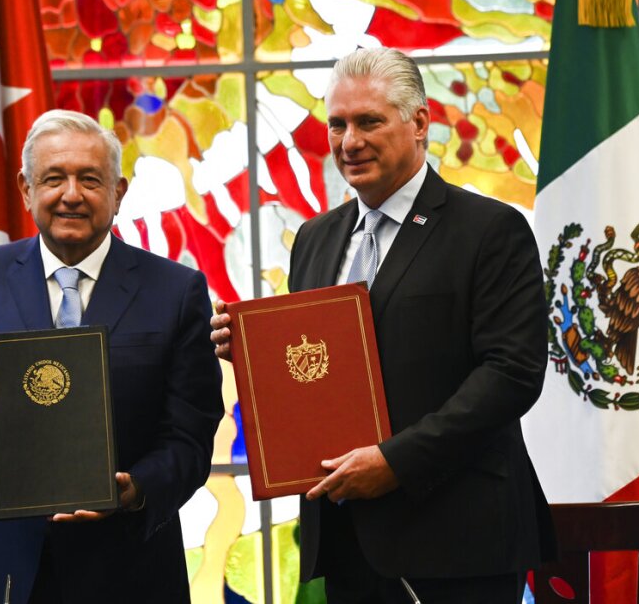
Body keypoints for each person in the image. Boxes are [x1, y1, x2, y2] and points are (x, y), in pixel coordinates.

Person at [211, 48, 555, 603]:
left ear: (419, 122)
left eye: (369, 121)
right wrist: (255, 356)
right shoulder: (315, 239)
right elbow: (321, 367)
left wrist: (395, 462)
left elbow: (512, 373)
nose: (350, 142)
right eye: (337, 124)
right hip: (348, 540)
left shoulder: (490, 230)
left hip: (458, 539)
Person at [0, 109, 224, 603]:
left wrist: (137, 488)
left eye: (90, 180)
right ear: (26, 189)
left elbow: (192, 434)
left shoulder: (177, 290)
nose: (72, 195)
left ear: (118, 193)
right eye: (54, 178)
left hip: (128, 567)